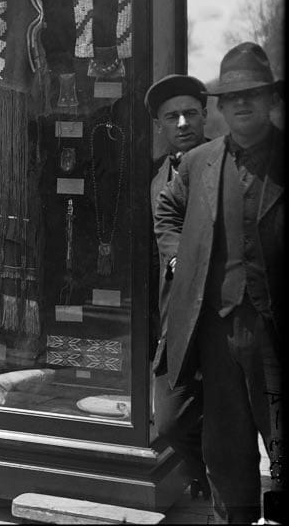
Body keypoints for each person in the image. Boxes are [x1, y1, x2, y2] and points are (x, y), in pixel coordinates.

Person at [155, 42, 284, 524]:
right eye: (232, 97)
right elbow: (167, 211)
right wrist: (175, 259)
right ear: (222, 109)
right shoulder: (198, 163)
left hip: (273, 326)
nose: (243, 103)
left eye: (253, 93)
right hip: (216, 325)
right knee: (225, 441)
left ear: (271, 100)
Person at [144, 73, 209, 500]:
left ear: (205, 117)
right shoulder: (155, 179)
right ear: (161, 125)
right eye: (173, 116)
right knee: (168, 418)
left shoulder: (225, 166)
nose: (182, 122)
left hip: (220, 315)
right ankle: (199, 469)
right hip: (174, 320)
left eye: (191, 113)